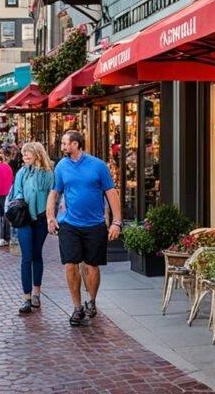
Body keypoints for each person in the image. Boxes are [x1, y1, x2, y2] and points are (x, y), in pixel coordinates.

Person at [47, 130, 121, 326]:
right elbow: (54, 193)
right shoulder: (61, 166)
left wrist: (116, 221)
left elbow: (111, 193)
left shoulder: (98, 166)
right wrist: (50, 217)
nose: (62, 147)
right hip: (69, 223)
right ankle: (77, 307)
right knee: (70, 264)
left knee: (91, 266)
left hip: (95, 224)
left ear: (76, 144)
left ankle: (92, 300)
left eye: (65, 143)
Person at [10, 142, 54, 314]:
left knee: (37, 254)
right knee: (26, 256)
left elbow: (52, 194)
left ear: (37, 154)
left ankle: (37, 293)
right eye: (23, 154)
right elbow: (17, 191)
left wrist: (51, 217)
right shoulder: (22, 172)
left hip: (42, 218)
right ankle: (27, 297)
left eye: (27, 154)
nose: (24, 157)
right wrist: (21, 201)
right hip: (25, 218)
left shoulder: (48, 173)